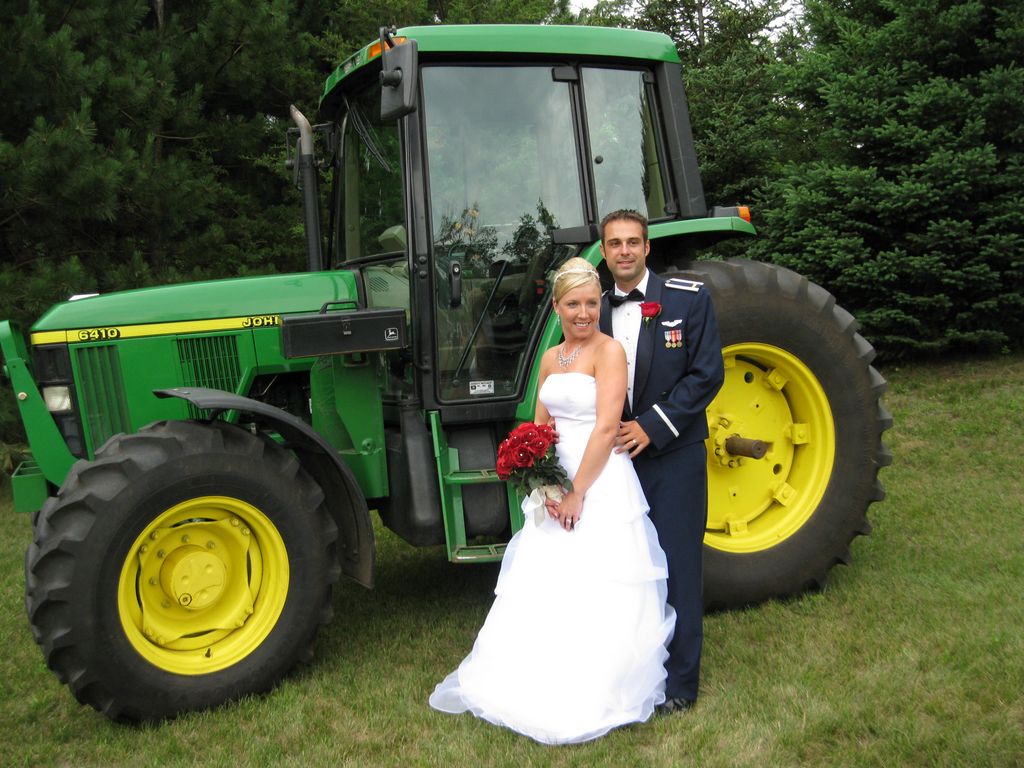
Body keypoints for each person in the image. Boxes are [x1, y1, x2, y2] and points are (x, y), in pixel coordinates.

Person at [429, 257, 674, 744]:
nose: (583, 313)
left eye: (591, 303)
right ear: (557, 307)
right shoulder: (548, 359)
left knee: (599, 574)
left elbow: (607, 426)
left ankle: (600, 679)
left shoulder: (609, 353)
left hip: (598, 478)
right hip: (555, 479)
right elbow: (540, 427)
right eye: (573, 304)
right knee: (548, 576)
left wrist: (578, 491)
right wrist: (543, 481)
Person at [597, 209, 725, 713]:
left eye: (633, 242)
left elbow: (705, 374)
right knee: (625, 568)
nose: (624, 251)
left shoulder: (687, 300)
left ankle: (679, 685)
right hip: (615, 463)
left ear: (648, 249)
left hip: (673, 455)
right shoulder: (593, 309)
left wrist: (652, 426)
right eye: (614, 243)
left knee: (677, 568)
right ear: (603, 252)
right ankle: (632, 673)